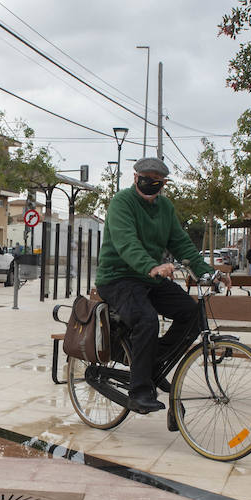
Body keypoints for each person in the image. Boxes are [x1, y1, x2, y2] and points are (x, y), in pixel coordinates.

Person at [95, 156, 221, 415]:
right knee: (146, 320)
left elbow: (182, 243)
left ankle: (152, 363)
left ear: (164, 183)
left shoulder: (165, 208)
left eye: (158, 180)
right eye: (147, 178)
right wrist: (151, 266)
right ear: (135, 177)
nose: (152, 183)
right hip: (118, 278)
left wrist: (209, 272)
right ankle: (139, 391)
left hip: (148, 278)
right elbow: (126, 242)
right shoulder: (122, 203)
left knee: (192, 313)